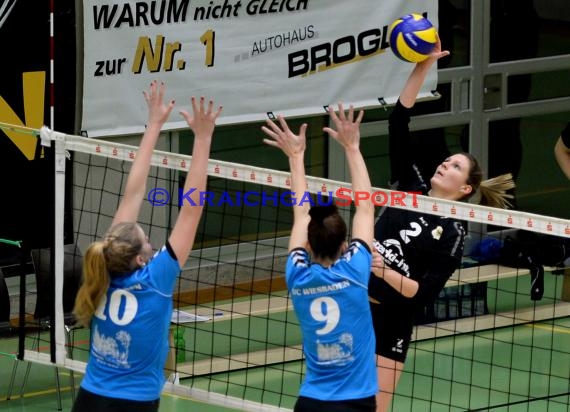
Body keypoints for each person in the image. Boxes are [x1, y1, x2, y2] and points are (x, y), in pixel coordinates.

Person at [368, 38, 515, 412]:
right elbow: (398, 122)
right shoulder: (411, 186)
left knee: (376, 408)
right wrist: (421, 67)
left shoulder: (453, 234)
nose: (443, 165)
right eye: (446, 160)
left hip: (392, 320)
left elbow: (422, 295)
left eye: (453, 166)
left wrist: (383, 270)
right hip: (354, 303)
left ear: (465, 188)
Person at [71, 81, 222, 412]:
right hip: (133, 405)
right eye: (149, 241)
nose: (155, 243)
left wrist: (153, 124)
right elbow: (192, 208)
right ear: (141, 259)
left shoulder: (104, 269)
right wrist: (203, 138)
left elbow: (132, 193)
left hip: (90, 399)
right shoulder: (157, 278)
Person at [262, 103, 378, 411]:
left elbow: (302, 214)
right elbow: (365, 208)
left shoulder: (297, 275)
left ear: (308, 248)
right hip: (355, 403)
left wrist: (296, 157)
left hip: (311, 402)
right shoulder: (354, 272)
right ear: (345, 245)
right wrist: (352, 148)